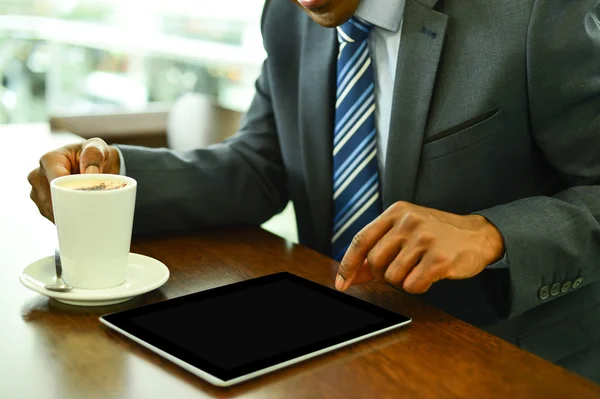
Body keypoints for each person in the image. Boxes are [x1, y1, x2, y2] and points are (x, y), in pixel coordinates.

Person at [29, 0, 600, 383]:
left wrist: (492, 232)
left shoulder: (536, 14)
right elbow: (259, 166)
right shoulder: (288, 15)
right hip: (336, 350)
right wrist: (109, 182)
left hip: (507, 361)